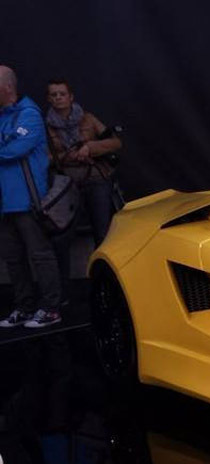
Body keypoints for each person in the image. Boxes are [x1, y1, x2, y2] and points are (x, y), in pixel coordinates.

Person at [0, 66, 62, 328]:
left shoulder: (29, 114)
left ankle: (51, 309)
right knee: (14, 260)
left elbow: (15, 149)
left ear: (7, 87)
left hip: (28, 201)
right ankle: (24, 308)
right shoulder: (3, 117)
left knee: (41, 256)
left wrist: (7, 142)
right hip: (5, 205)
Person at [45, 80, 121, 247]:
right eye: (54, 95)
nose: (58, 98)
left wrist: (90, 148)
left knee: (103, 230)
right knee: (62, 232)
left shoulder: (88, 119)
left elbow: (115, 142)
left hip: (95, 177)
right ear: (49, 99)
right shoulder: (45, 126)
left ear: (70, 97)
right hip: (66, 183)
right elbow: (43, 157)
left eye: (62, 94)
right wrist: (67, 156)